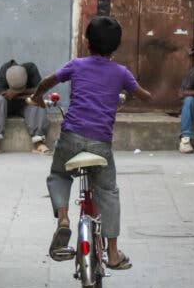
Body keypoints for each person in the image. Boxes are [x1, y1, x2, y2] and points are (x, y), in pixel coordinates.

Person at [30, 16, 152, 270]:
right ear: (115, 47)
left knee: (58, 175)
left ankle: (63, 219)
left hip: (71, 137)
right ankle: (114, 253)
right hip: (100, 144)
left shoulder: (76, 65)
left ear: (87, 42)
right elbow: (145, 96)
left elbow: (46, 82)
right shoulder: (121, 72)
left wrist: (37, 97)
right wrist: (130, 95)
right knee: (108, 192)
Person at [0, 59, 49, 156]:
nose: (19, 90)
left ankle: (39, 143)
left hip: (26, 104)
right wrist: (24, 93)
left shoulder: (31, 69)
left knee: (38, 101)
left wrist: (15, 93)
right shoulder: (4, 70)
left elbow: (39, 90)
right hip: (8, 105)